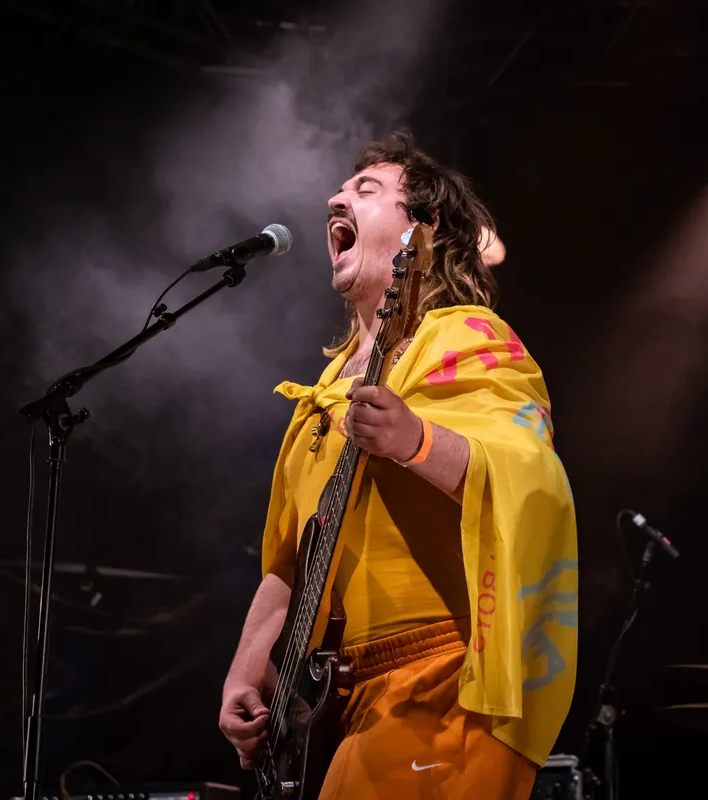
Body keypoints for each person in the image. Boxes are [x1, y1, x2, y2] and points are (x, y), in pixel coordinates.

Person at [218, 131, 578, 799]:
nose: (335, 199)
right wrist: (246, 669)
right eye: (340, 189)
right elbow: (290, 558)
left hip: (444, 677)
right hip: (343, 699)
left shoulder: (468, 337)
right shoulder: (323, 391)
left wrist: (416, 440)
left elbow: (532, 477)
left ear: (423, 229)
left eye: (366, 190)